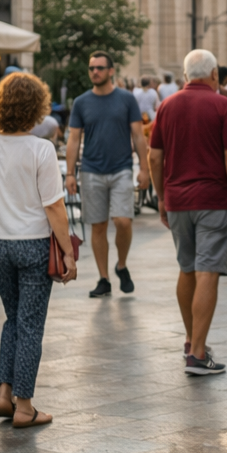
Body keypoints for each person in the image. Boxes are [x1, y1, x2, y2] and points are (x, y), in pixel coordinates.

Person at [0, 71, 77, 428]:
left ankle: (4, 393)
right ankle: (25, 405)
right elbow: (54, 207)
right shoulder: (41, 149)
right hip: (32, 243)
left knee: (12, 317)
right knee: (30, 324)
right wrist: (68, 252)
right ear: (37, 107)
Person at [149, 49, 227, 377]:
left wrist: (162, 197)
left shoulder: (167, 105)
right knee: (208, 271)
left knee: (186, 267)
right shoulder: (223, 105)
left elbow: (154, 157)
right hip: (213, 199)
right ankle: (199, 353)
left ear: (187, 75)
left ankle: (191, 340)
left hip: (177, 200)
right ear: (215, 75)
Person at [66, 52, 149, 298]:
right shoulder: (81, 102)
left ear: (111, 71)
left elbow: (138, 136)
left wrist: (144, 168)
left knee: (123, 221)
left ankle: (121, 265)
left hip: (122, 168)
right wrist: (70, 173)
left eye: (100, 68)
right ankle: (104, 279)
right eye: (91, 68)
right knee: (98, 225)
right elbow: (73, 138)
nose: (95, 72)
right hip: (91, 170)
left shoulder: (126, 99)